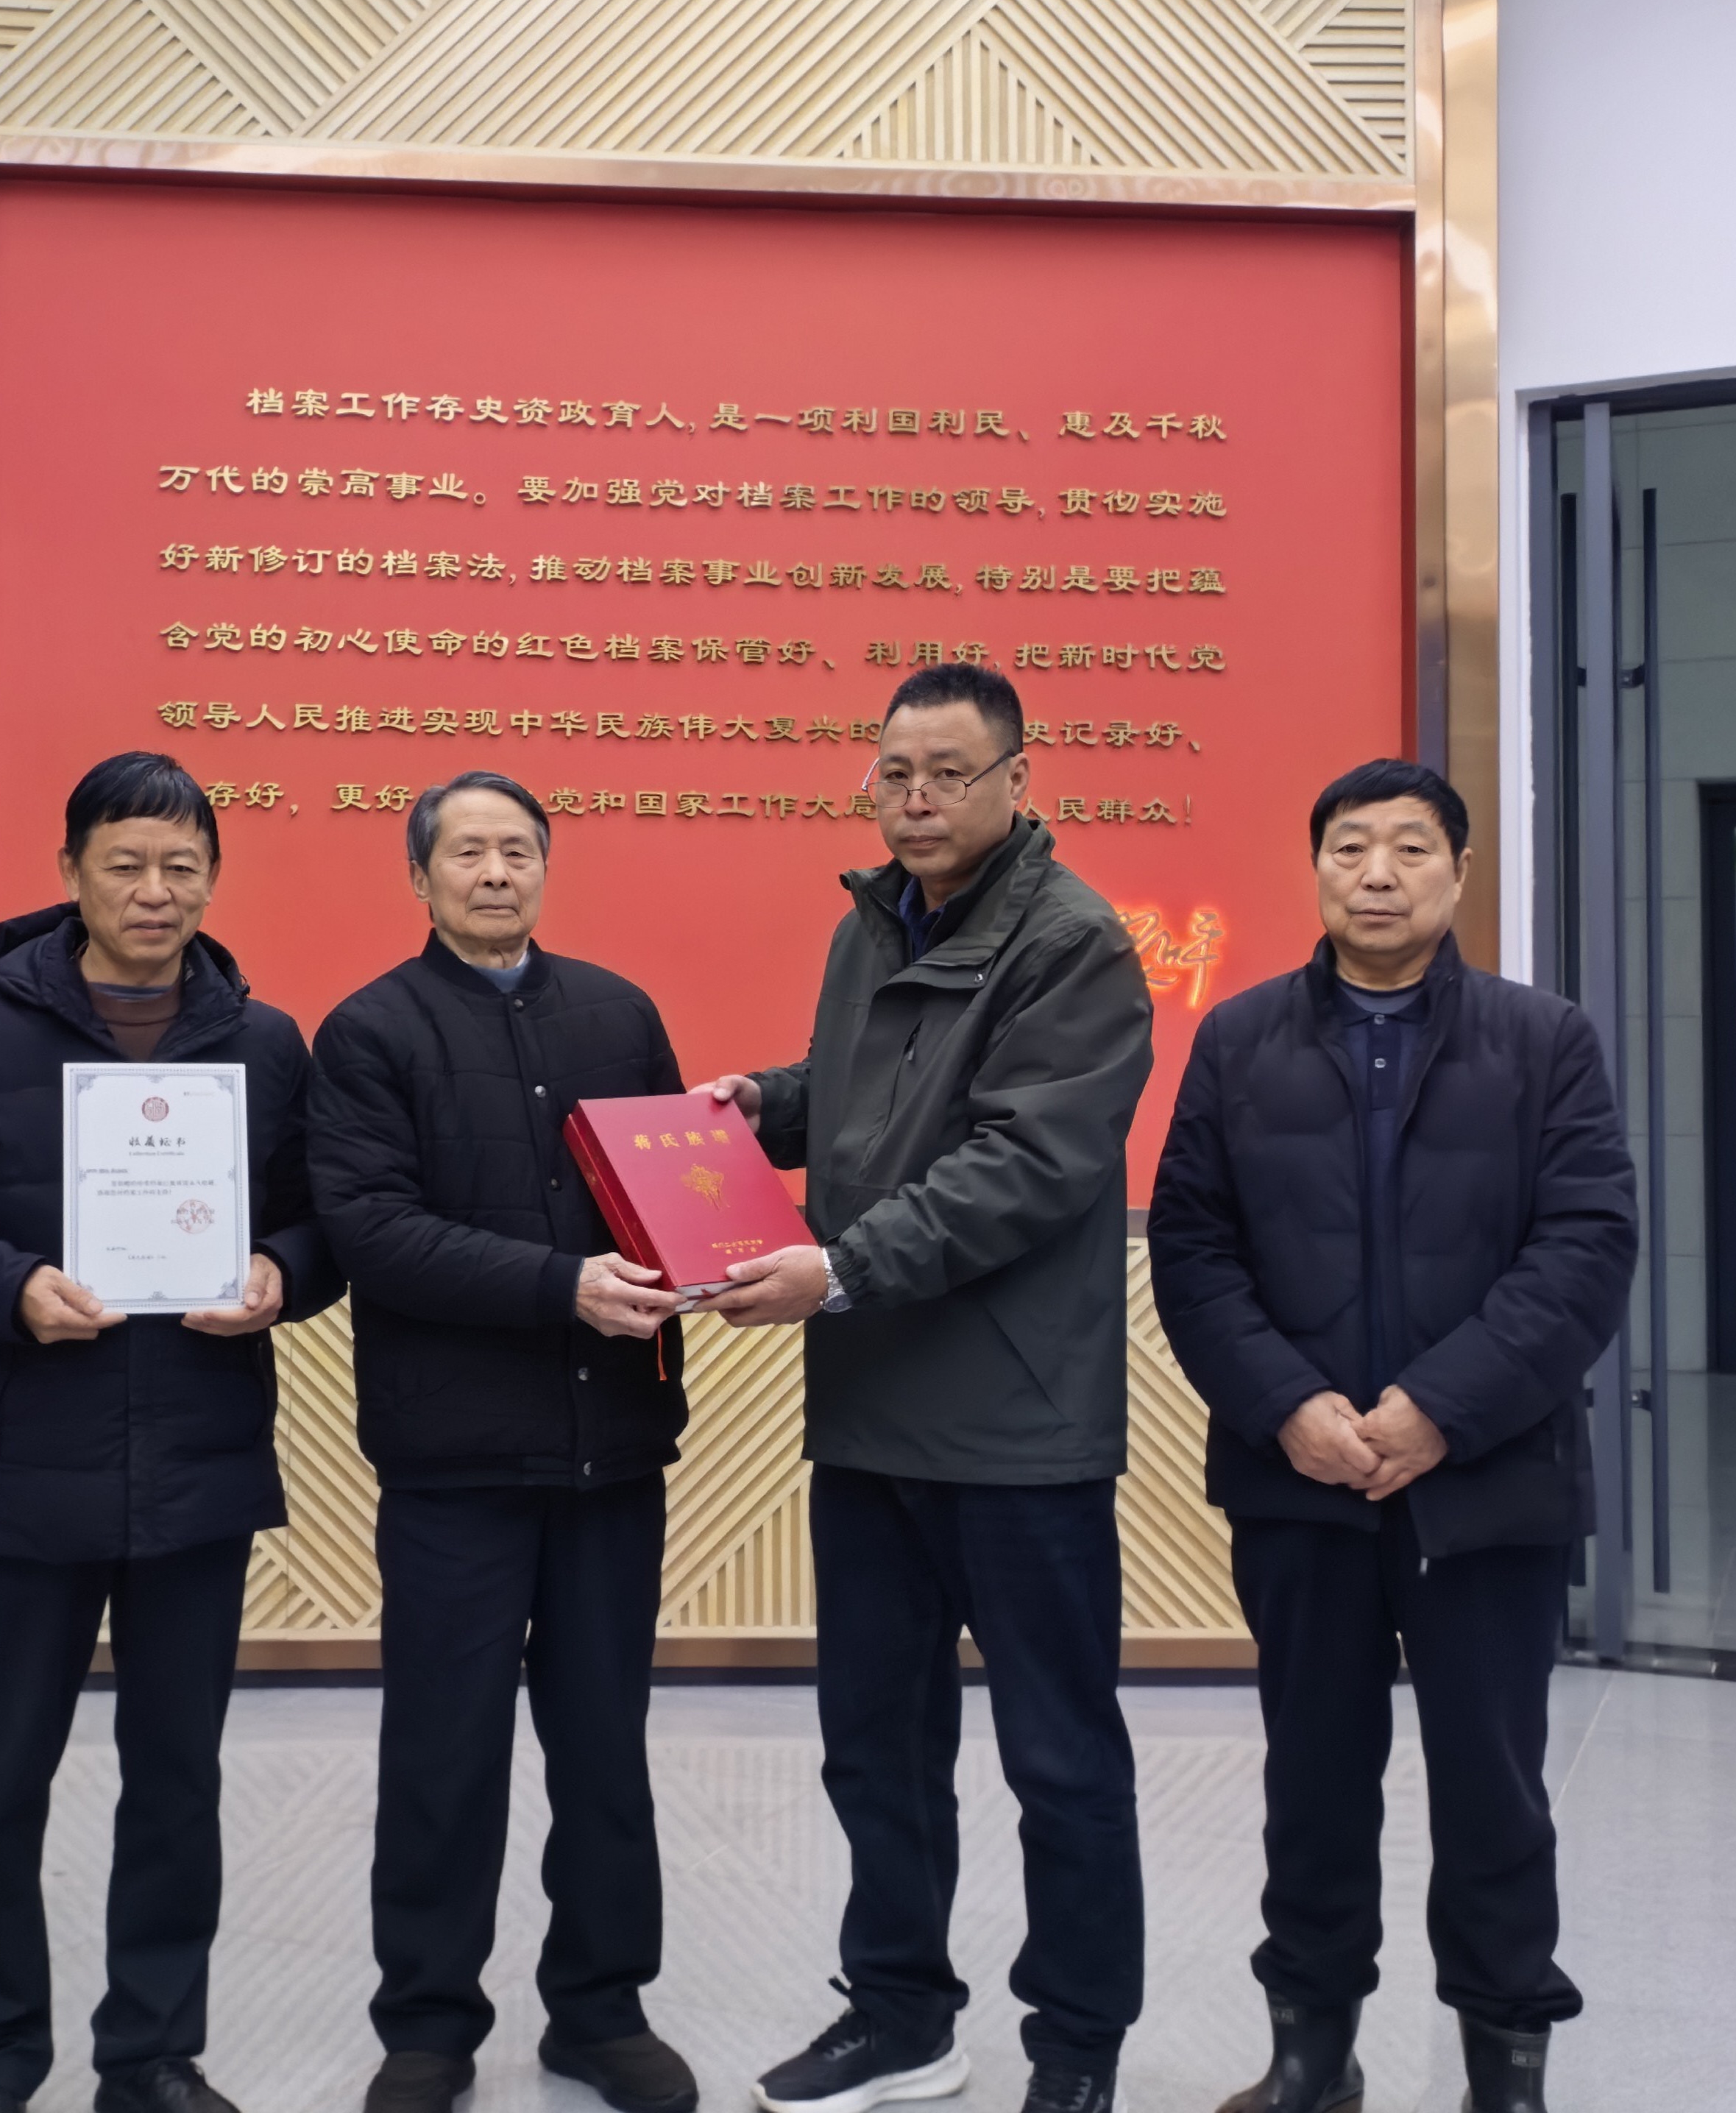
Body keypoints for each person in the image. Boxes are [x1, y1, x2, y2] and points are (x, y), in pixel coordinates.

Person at [0, 751, 339, 2113]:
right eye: (124, 864)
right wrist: (8, 1289)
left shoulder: (263, 1042)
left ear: (211, 880)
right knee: (0, 1782)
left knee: (177, 1782)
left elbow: (319, 1221)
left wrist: (281, 1271)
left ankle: (153, 2054)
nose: (153, 891)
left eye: (181, 867)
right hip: (20, 1465)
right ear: (69, 873)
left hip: (199, 1465)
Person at [695, 662, 1154, 2113]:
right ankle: (898, 2014)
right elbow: (865, 1098)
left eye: (948, 773)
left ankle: (1074, 2049)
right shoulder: (873, 923)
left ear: (1018, 779)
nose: (915, 799)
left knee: (1058, 1759)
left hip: (1018, 1426)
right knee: (875, 1747)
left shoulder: (1073, 943)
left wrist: (836, 1269)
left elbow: (1021, 1164)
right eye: (893, 772)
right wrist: (759, 1109)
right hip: (872, 1413)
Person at [1147, 760, 1637, 2113]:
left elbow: (1585, 1246)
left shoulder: (1544, 1041)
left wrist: (1440, 1409)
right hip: (1299, 1487)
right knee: (1311, 1783)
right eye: (1349, 847)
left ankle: (1505, 2065)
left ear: (1457, 873)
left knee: (1494, 1791)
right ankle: (1311, 2058)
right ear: (1314, 869)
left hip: (1489, 1487)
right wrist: (1286, 1407)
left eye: (1409, 848)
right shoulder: (1238, 1039)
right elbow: (1192, 1248)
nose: (1376, 873)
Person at [307, 771, 696, 2113]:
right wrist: (560, 1285)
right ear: (418, 877)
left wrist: (710, 1257)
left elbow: (670, 1193)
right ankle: (427, 2025)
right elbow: (372, 1232)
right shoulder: (370, 1032)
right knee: (443, 1753)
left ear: (545, 866)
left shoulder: (618, 1013)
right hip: (453, 1462)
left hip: (610, 1453)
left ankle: (600, 2010)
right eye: (465, 852)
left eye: (517, 850)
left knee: (605, 1751)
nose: (493, 873)